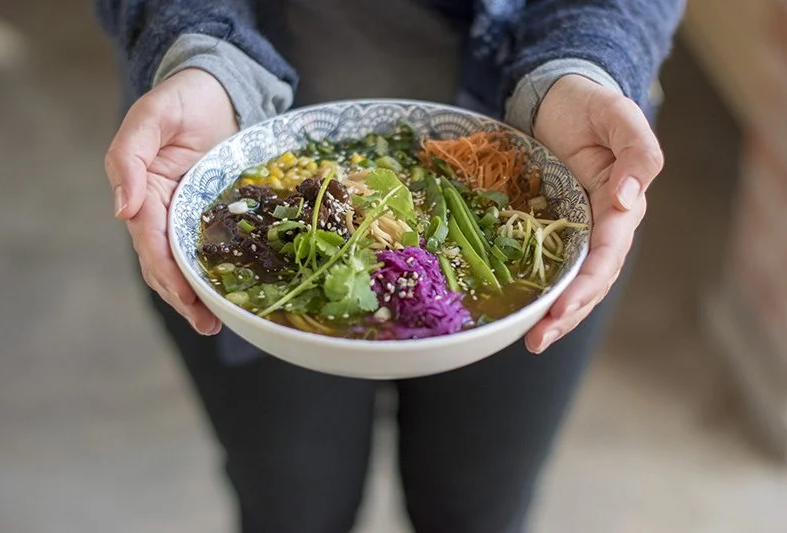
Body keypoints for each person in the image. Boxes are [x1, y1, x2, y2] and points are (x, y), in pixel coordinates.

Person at [96, 1, 684, 531]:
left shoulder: (536, 220)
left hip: (558, 148)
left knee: (478, 510)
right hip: (219, 130)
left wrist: (591, 59)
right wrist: (202, 51)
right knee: (291, 506)